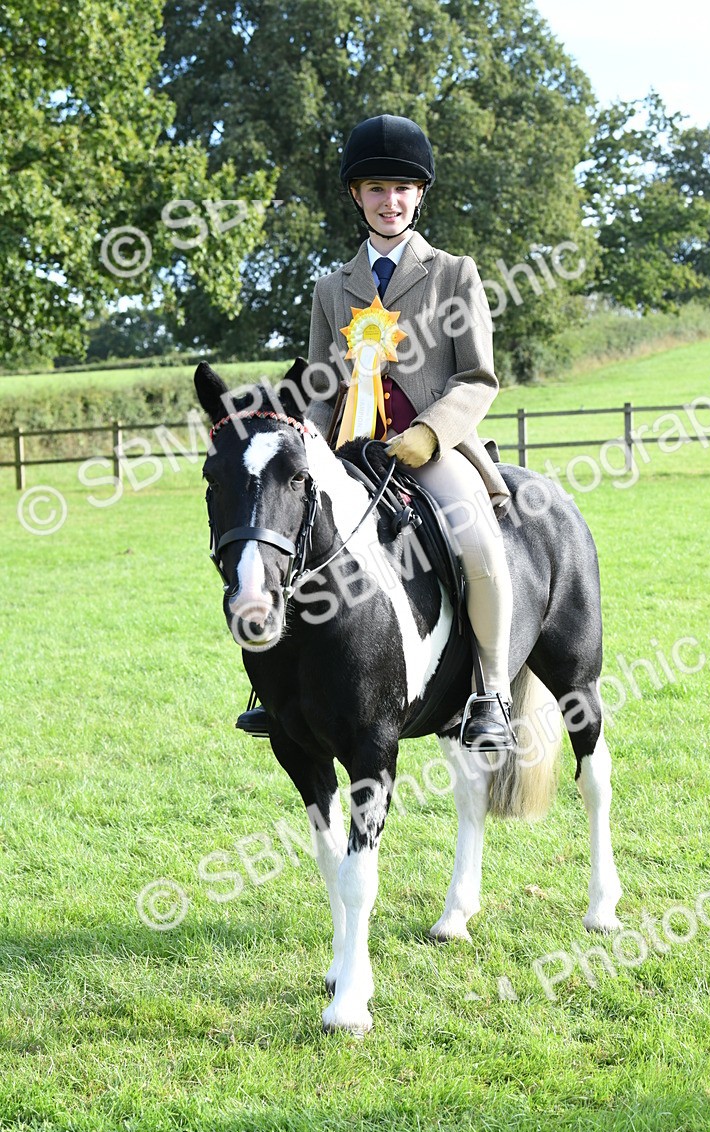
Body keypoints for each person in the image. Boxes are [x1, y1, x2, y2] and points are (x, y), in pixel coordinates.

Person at [239, 114, 515, 750]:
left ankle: (492, 692)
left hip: (429, 450)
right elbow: (319, 386)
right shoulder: (331, 288)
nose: (390, 202)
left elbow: (478, 378)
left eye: (401, 189)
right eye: (375, 190)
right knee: (284, 536)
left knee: (477, 542)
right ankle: (275, 690)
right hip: (346, 452)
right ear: (356, 196)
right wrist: (304, 445)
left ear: (419, 195)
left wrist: (431, 432)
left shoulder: (454, 273)